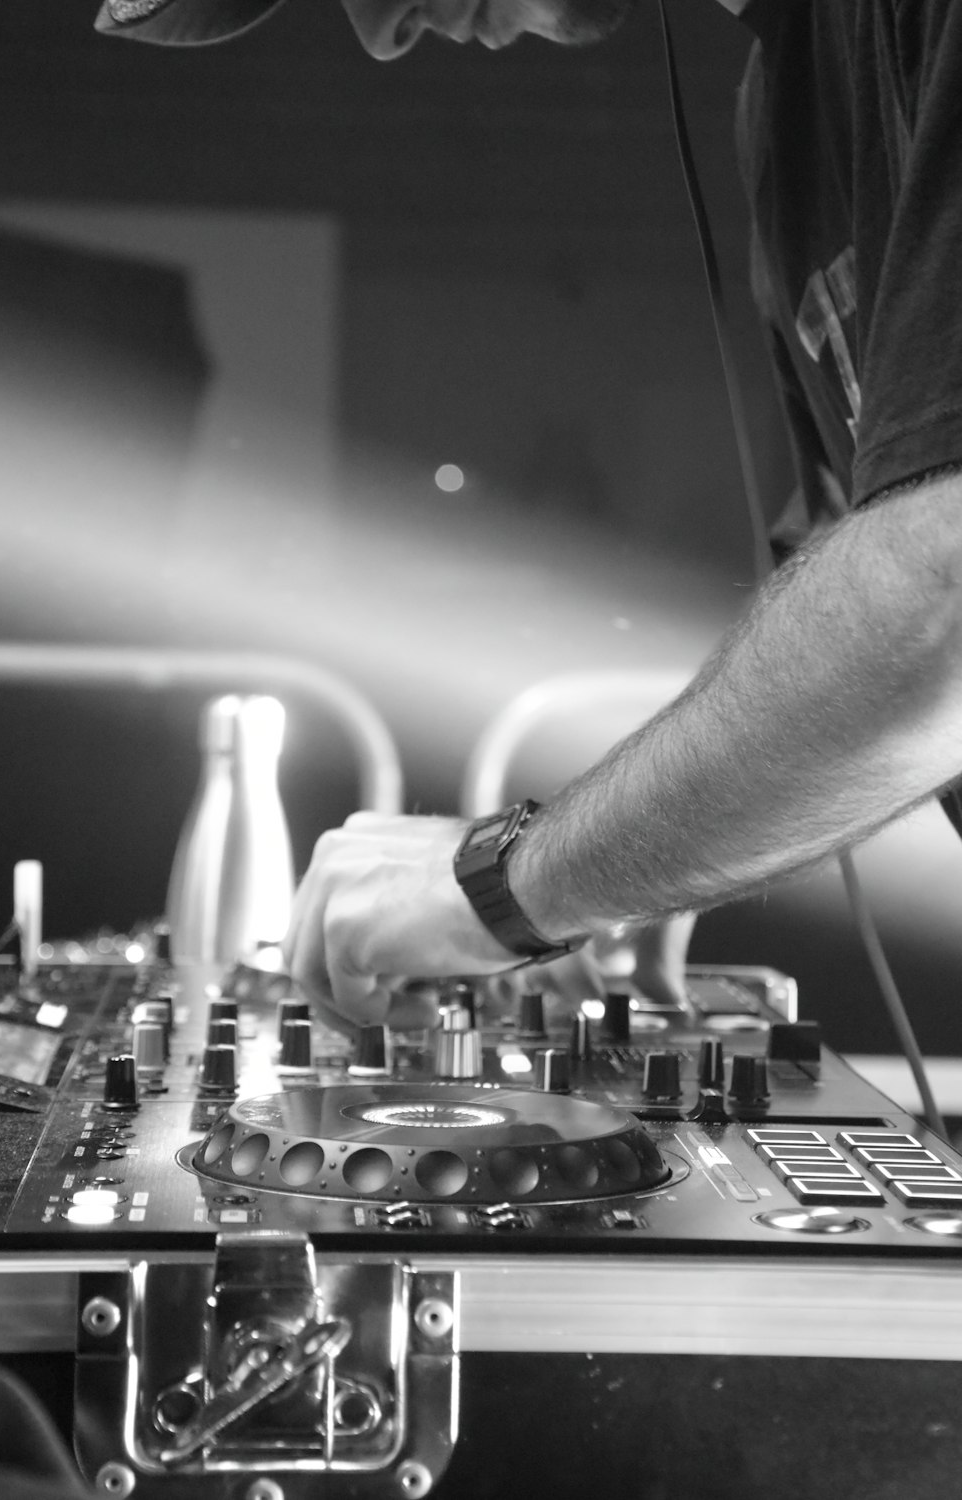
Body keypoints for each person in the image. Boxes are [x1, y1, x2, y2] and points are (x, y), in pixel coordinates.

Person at [99, 0, 962, 1031]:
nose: (380, 37)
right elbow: (862, 609)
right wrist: (640, 854)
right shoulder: (779, 106)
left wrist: (519, 883)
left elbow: (940, 601)